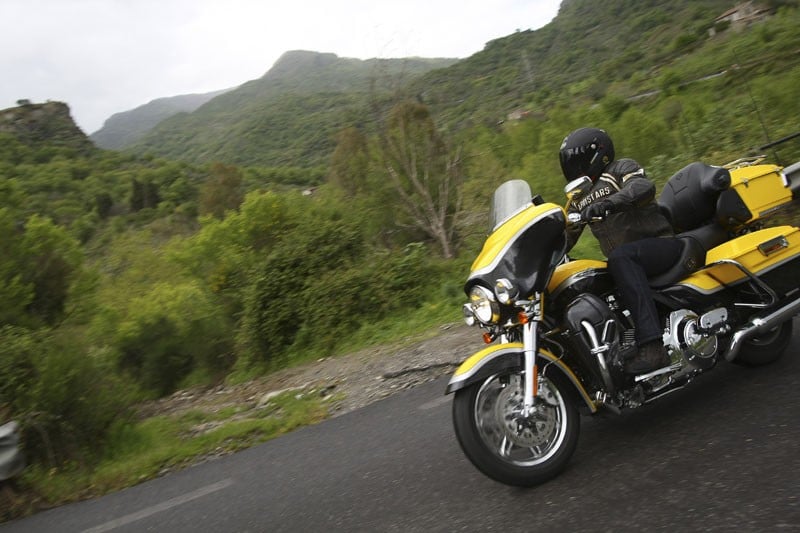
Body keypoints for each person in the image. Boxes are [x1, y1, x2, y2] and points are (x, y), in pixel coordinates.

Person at [559, 127, 681, 374]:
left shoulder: (621, 169)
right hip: (627, 261)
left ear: (597, 154)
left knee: (619, 258)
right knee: (587, 278)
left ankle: (653, 347)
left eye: (576, 160)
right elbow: (566, 234)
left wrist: (609, 203)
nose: (573, 167)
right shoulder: (578, 197)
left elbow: (642, 187)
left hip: (662, 245)